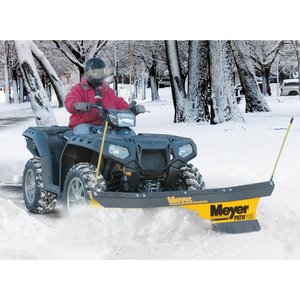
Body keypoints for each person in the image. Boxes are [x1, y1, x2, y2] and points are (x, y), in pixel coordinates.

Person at [65, 58, 132, 134]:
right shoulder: (79, 89)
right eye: (95, 72)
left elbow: (118, 102)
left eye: (101, 72)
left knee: (125, 132)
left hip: (107, 125)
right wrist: (77, 105)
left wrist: (130, 108)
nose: (98, 75)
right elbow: (70, 100)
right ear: (87, 73)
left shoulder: (107, 90)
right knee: (83, 134)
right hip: (84, 124)